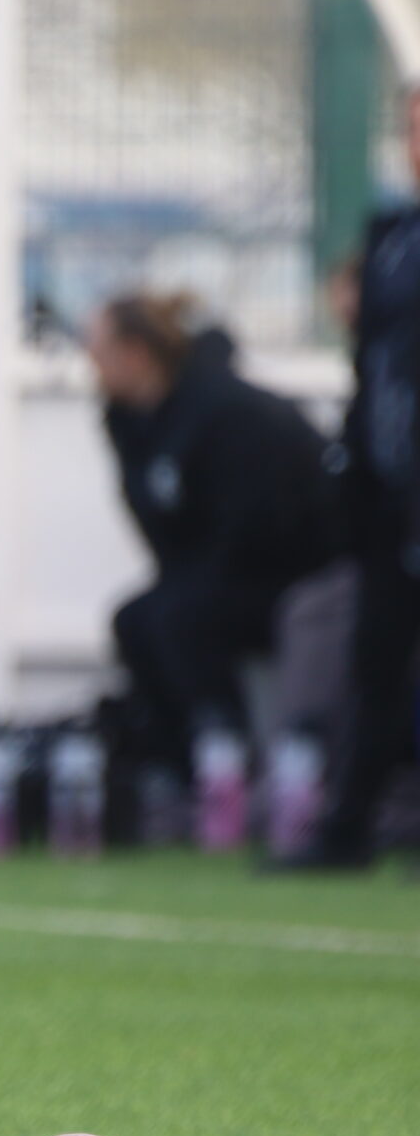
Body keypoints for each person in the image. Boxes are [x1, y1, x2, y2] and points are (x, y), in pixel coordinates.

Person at [88, 295, 334, 784]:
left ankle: (226, 751)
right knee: (136, 619)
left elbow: (258, 527)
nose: (90, 367)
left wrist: (194, 582)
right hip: (217, 575)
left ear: (135, 352)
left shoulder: (228, 411)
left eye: (97, 353)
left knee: (180, 617)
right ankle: (174, 769)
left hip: (295, 574)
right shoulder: (131, 423)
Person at [274, 83, 420, 870]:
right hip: (391, 494)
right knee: (377, 655)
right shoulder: (393, 236)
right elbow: (376, 370)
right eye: (411, 127)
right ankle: (347, 827)